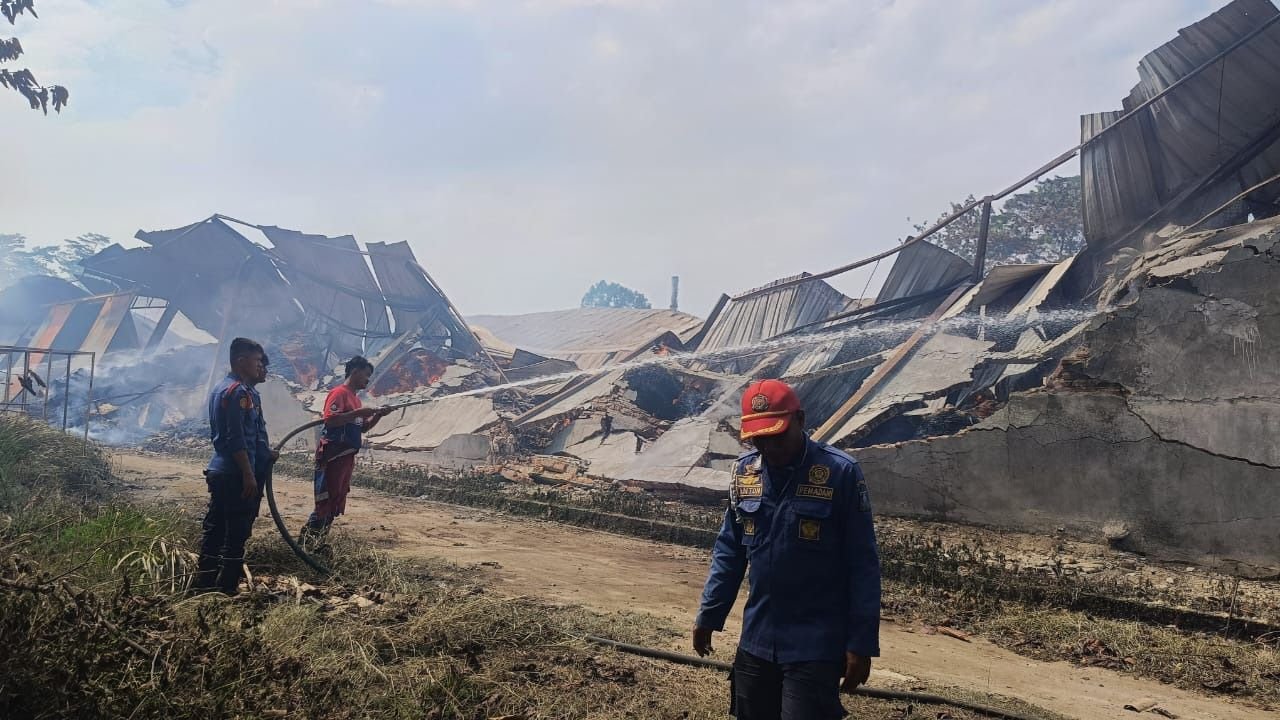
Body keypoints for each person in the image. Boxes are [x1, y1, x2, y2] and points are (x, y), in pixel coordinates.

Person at [693, 379, 881, 720]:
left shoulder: (840, 473)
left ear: (801, 419)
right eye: (760, 439)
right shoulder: (745, 473)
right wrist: (710, 614)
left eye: (777, 435)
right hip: (757, 638)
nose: (770, 447)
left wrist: (861, 642)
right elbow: (729, 552)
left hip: (815, 644)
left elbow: (863, 564)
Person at [194, 337, 277, 595]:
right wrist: (248, 475)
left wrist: (266, 455)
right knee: (235, 533)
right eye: (257, 361)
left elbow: (254, 436)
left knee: (216, 529)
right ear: (241, 361)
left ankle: (203, 585)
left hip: (230, 471)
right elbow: (236, 439)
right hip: (235, 474)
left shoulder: (241, 391)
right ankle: (225, 589)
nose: (260, 366)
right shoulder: (236, 392)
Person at [302, 356, 391, 539]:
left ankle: (319, 542)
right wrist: (358, 413)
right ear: (355, 371)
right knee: (325, 501)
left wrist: (378, 415)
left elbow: (362, 427)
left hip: (345, 457)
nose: (368, 380)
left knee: (335, 499)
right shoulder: (339, 394)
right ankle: (307, 542)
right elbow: (331, 420)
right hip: (332, 456)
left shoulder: (356, 400)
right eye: (366, 375)